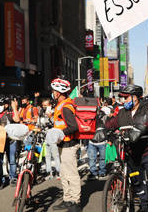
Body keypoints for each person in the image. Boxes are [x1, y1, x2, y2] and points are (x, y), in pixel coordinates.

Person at [105, 85, 148, 212]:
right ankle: (143, 206)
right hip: (131, 154)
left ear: (136, 97)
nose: (124, 100)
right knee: (137, 182)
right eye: (123, 98)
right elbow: (110, 124)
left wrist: (144, 127)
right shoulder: (121, 113)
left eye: (126, 98)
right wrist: (102, 129)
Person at [50, 77, 81, 212]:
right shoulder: (60, 105)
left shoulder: (66, 107)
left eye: (53, 90)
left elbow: (74, 127)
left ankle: (76, 202)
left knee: (72, 175)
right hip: (62, 145)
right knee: (63, 174)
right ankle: (67, 199)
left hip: (69, 145)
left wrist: (59, 133)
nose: (52, 93)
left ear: (58, 92)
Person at [0, 95, 20, 188]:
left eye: (0, 104)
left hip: (10, 141)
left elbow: (17, 119)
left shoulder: (10, 113)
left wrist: (14, 108)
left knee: (12, 160)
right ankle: (0, 180)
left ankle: (13, 178)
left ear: (6, 105)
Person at [87, 99, 107, 180]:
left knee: (102, 158)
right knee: (92, 158)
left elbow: (108, 125)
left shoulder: (103, 115)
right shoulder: (88, 115)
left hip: (102, 140)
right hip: (92, 141)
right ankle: (93, 172)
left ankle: (102, 171)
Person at [40, 98, 60, 180]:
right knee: (47, 156)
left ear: (50, 105)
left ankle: (58, 172)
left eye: (46, 105)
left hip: (53, 138)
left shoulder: (55, 112)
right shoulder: (43, 113)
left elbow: (57, 124)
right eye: (43, 106)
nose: (44, 107)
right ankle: (49, 172)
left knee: (56, 156)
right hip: (45, 137)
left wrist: (51, 117)